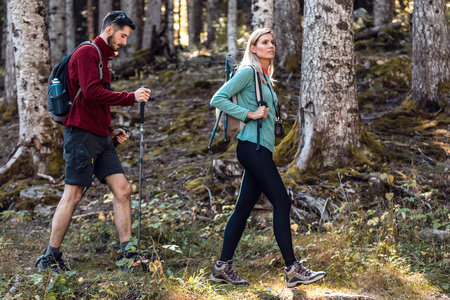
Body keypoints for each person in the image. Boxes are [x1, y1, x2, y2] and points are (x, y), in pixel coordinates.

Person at [209, 28, 326, 288]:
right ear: (253, 48)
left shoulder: (263, 77)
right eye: (264, 42)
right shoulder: (248, 72)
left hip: (259, 149)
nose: (270, 46)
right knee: (282, 203)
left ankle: (222, 268)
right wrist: (249, 114)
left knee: (242, 209)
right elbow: (217, 98)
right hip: (253, 148)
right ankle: (293, 269)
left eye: (272, 42)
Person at [36, 11, 151, 273]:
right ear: (109, 29)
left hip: (99, 136)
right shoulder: (88, 53)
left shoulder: (103, 58)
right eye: (122, 36)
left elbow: (96, 100)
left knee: (122, 189)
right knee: (73, 194)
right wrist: (130, 97)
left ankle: (127, 256)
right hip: (81, 134)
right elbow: (90, 92)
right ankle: (49, 258)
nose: (124, 42)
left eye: (127, 38)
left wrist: (110, 130)